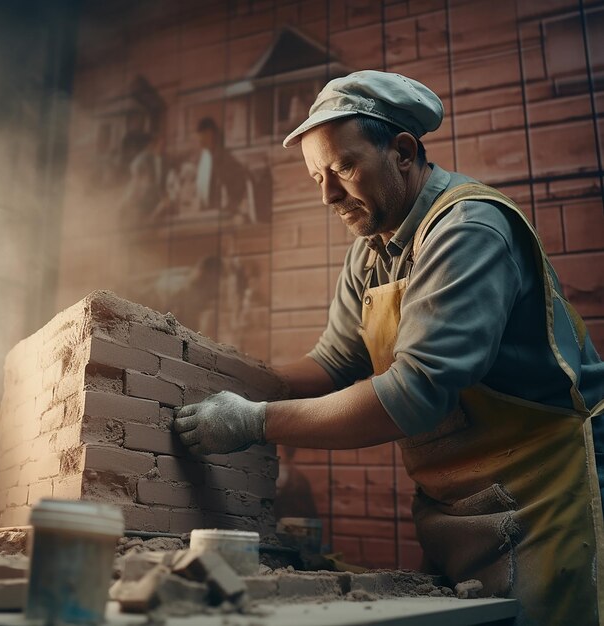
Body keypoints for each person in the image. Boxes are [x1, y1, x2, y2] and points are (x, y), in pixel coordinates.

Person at [173, 70, 604, 625]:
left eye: (343, 168)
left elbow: (417, 393)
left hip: (545, 494)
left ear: (402, 152)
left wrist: (255, 420)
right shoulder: (371, 251)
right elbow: (332, 362)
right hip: (460, 507)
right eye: (317, 176)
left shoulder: (469, 230)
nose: (328, 194)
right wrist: (227, 377)